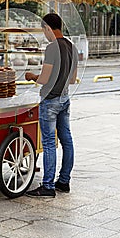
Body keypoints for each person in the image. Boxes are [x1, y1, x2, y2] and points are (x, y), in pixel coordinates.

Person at [25, 13, 78, 198]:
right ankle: (64, 181)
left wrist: (32, 76)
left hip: (50, 101)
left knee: (48, 143)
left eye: (44, 30)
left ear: (48, 28)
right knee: (67, 140)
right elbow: (72, 79)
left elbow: (44, 78)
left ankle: (47, 186)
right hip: (65, 99)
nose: (45, 35)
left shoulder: (52, 48)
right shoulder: (72, 47)